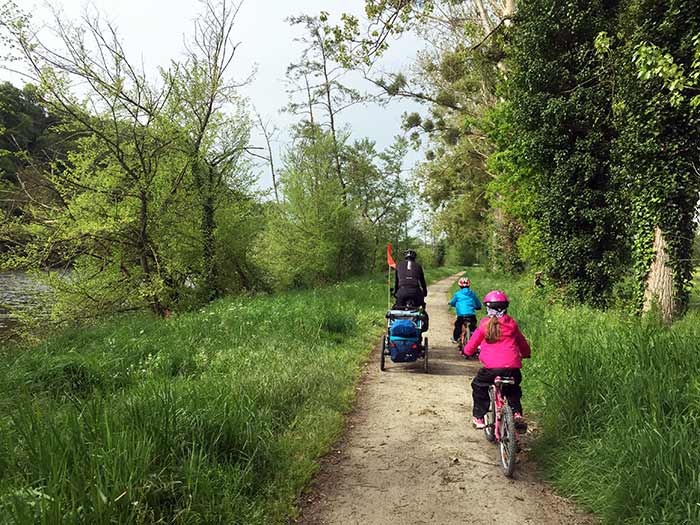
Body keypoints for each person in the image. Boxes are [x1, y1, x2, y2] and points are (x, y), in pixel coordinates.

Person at [463, 290, 530, 430]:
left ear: (488, 308)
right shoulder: (511, 324)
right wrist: (526, 353)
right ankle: (516, 413)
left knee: (478, 385)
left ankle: (479, 417)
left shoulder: (484, 325)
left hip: (491, 370)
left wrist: (467, 352)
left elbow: (471, 345)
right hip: (512, 369)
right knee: (513, 390)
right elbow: (522, 343)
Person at [393, 249, 429, 331]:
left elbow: (396, 282)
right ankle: (418, 330)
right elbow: (422, 281)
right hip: (415, 292)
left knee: (398, 310)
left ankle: (398, 328)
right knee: (420, 310)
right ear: (414, 258)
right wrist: (425, 292)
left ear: (405, 257)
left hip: (402, 292)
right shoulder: (418, 266)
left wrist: (395, 292)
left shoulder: (399, 265)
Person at [448, 277, 481, 344]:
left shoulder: (457, 294)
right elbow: (477, 302)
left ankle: (455, 338)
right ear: (469, 285)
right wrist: (478, 307)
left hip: (461, 315)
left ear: (460, 286)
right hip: (471, 314)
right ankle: (474, 339)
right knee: (473, 326)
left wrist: (451, 304)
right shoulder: (472, 293)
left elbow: (452, 302)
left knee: (458, 325)